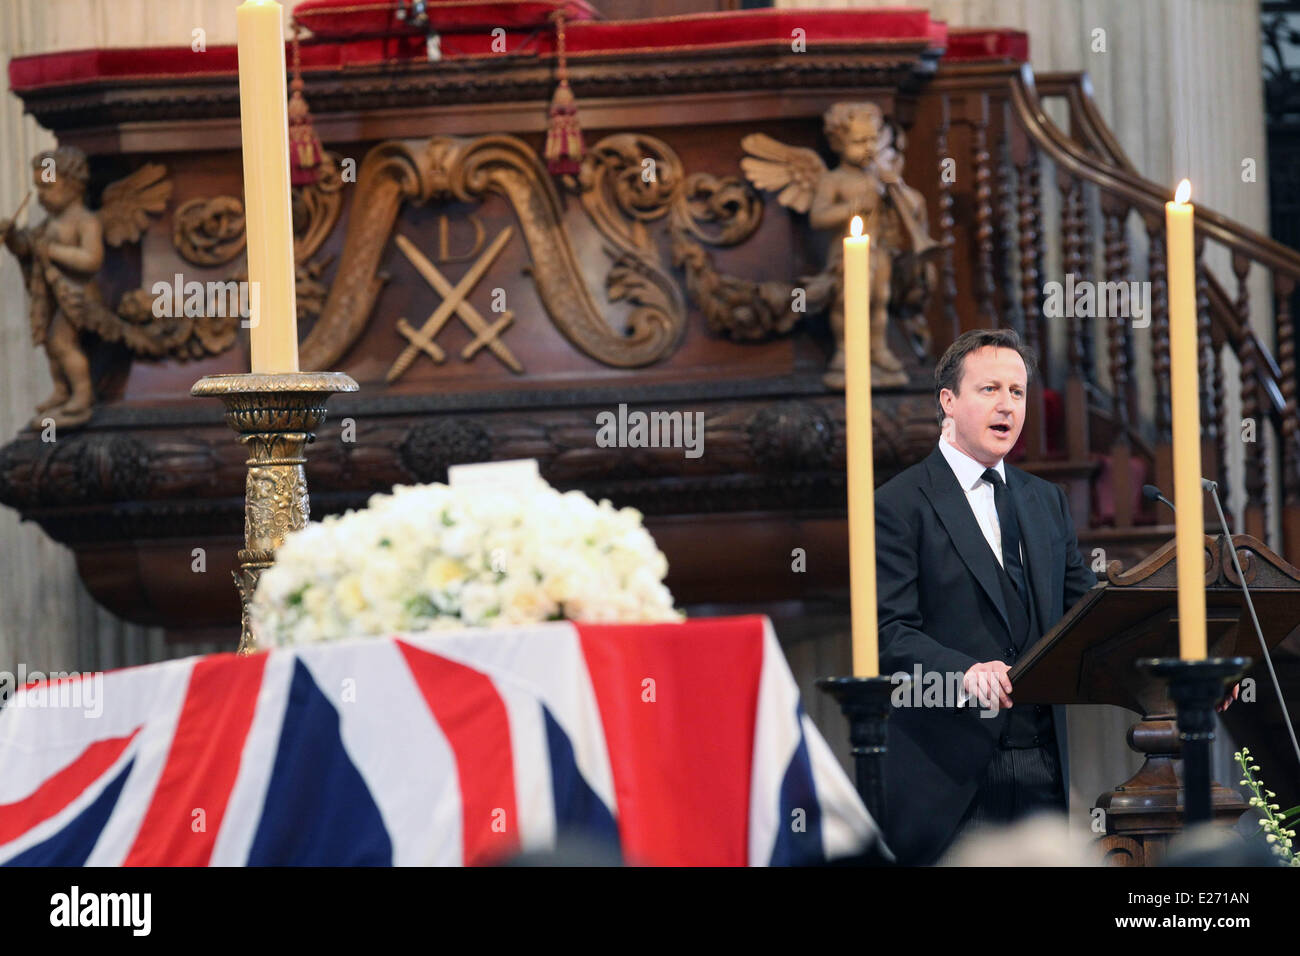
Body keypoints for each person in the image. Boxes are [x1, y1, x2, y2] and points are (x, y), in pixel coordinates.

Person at [873, 328, 1096, 864]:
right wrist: (963, 672)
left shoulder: (1046, 501)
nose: (1008, 406)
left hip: (1043, 766)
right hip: (947, 776)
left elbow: (1087, 620)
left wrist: (1179, 671)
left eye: (1017, 392)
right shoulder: (898, 504)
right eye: (989, 389)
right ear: (948, 401)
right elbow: (888, 633)